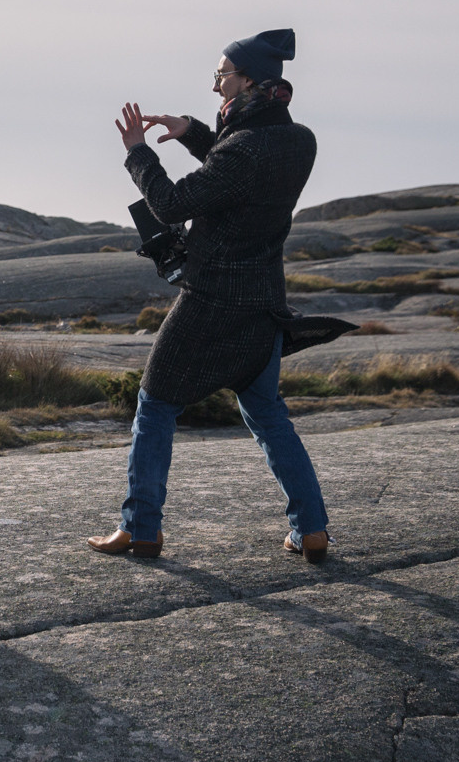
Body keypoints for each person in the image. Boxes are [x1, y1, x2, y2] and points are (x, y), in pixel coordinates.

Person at [96, 28, 336, 563]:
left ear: (250, 79)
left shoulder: (245, 149)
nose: (215, 85)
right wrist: (192, 132)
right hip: (265, 304)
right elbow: (242, 169)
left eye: (223, 75)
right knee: (269, 414)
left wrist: (138, 154)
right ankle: (311, 528)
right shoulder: (299, 141)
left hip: (211, 300)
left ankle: (139, 528)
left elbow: (173, 203)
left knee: (155, 404)